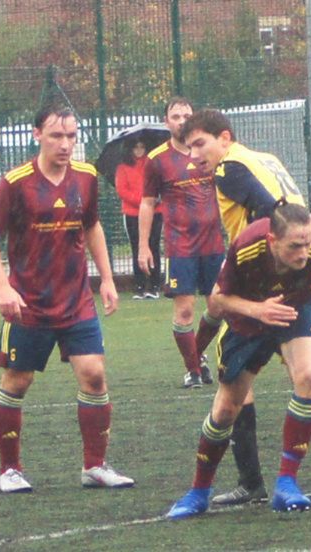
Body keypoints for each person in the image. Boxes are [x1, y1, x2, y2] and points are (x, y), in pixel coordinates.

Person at [180, 108, 311, 506]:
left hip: (268, 280)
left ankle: (256, 482)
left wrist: (276, 246)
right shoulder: (262, 157)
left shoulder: (229, 168)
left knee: (283, 379)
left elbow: (270, 209)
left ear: (224, 137)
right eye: (188, 147)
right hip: (285, 277)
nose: (193, 156)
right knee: (292, 380)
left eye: (199, 144)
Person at [166, 202, 311, 519]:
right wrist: (258, 310)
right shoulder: (247, 245)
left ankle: (287, 484)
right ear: (272, 241)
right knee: (226, 409)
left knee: (309, 376)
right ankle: (198, 492)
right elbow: (218, 298)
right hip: (247, 317)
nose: (303, 253)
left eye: (308, 243)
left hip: (296, 309)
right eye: (295, 246)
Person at [0, 104, 134, 493]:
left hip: (76, 299)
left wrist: (108, 278)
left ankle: (94, 466)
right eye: (56, 136)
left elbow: (93, 225)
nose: (65, 144)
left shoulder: (86, 177)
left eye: (71, 136)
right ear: (37, 136)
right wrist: (1, 285)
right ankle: (9, 470)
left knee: (94, 375)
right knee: (18, 381)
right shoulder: (16, 181)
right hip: (28, 303)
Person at [138, 97, 222, 388]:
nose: (182, 120)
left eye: (187, 115)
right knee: (184, 310)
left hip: (214, 244)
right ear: (166, 122)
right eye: (176, 116)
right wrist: (143, 246)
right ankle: (194, 371)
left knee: (219, 306)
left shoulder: (210, 153)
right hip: (180, 246)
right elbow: (147, 203)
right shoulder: (156, 160)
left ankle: (195, 355)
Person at [115, 138, 163, 299]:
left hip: (155, 212)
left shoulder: (153, 164)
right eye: (135, 147)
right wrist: (143, 201)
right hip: (132, 213)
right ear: (130, 149)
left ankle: (154, 285)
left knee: (153, 246)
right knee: (137, 247)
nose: (139, 150)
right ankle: (140, 286)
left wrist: (151, 201)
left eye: (142, 146)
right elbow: (122, 190)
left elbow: (160, 184)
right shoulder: (122, 167)